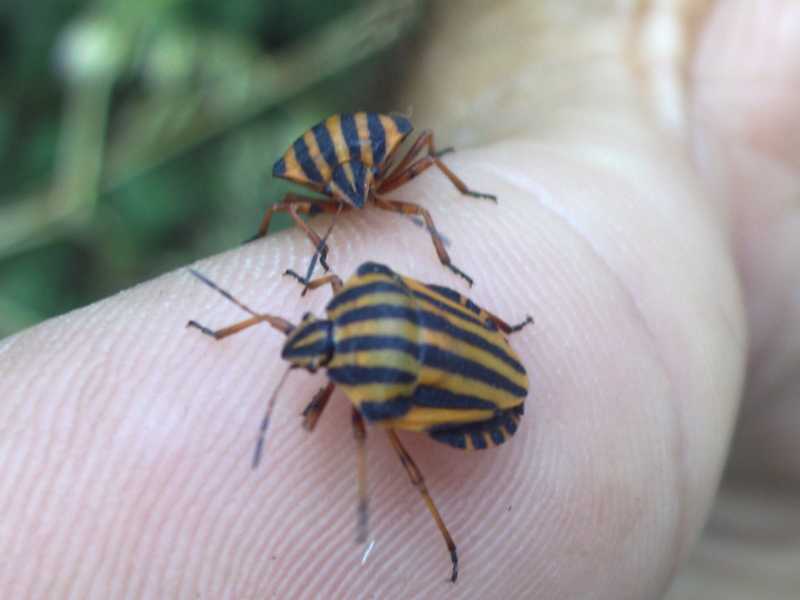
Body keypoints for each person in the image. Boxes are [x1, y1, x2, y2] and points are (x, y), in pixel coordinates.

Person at [1, 3, 798, 597]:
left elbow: (372, 430)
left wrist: (357, 490)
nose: (300, 342)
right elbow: (357, 306)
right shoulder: (363, 304)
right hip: (472, 358)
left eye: (310, 339)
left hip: (472, 380)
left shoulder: (367, 393)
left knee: (399, 461)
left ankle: (448, 525)